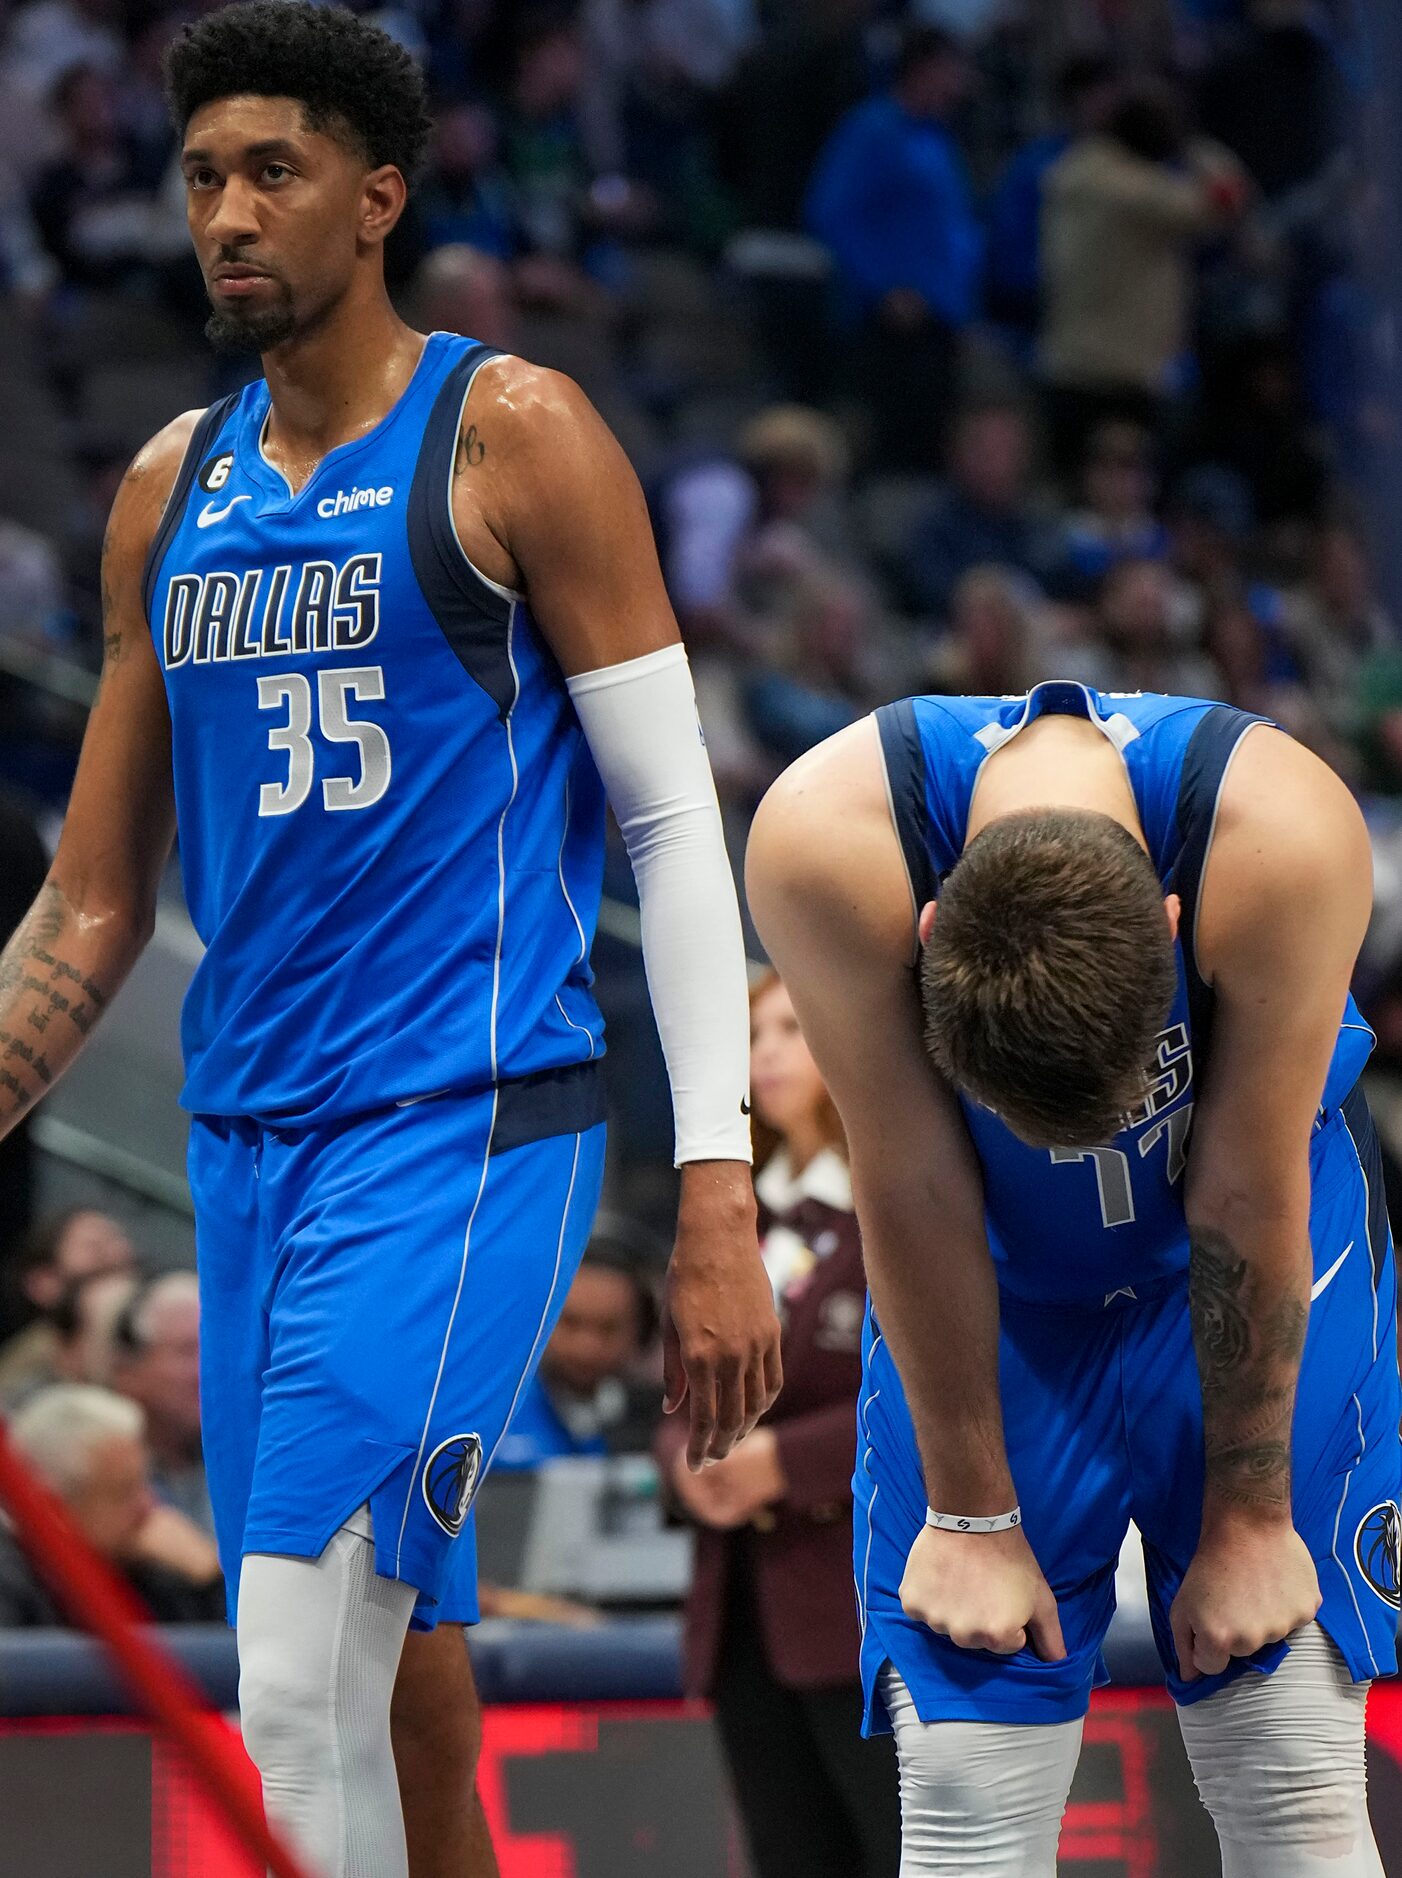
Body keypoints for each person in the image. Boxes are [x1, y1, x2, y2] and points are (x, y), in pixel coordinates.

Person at [0, 7, 781, 1877]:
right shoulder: (164, 493)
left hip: (463, 1118)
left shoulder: (512, 433)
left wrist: (718, 1184)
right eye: (200, 178)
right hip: (247, 1139)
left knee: (287, 1671)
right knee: (400, 1652)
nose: (227, 216)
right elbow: (93, 897)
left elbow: (676, 830)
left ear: (379, 197)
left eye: (272, 172)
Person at [746, 678, 1399, 1877]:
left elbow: (1245, 1198)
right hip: (991, 1285)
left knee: (1289, 1765)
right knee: (962, 1796)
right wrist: (970, 1513)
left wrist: (1250, 1516)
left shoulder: (1284, 837)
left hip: (1245, 1258)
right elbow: (914, 1186)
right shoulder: (825, 844)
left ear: (1169, 922)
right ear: (926, 931)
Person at [660, 970, 900, 1878]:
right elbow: (676, 1387)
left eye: (794, 1029)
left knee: (897, 1849)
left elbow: (937, 1388)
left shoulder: (894, 1203)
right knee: (786, 1854)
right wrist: (690, 1464)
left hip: (861, 1599)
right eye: (754, 1034)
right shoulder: (723, 1218)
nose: (767, 1053)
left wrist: (786, 1463)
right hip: (742, 1610)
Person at [0, 1383, 225, 1627]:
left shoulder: (149, 1565)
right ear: (51, 1507)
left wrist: (210, 1578)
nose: (149, 1504)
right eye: (124, 1491)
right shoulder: (10, 1582)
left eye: (146, 1482)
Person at [492, 1232, 661, 1469]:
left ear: (642, 1332)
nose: (586, 1347)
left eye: (608, 1329)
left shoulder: (661, 1429)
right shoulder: (493, 1414)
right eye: (570, 1323)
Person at [110, 1270, 212, 1535]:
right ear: (128, 1373)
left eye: (211, 1347)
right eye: (187, 1351)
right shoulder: (108, 1476)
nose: (207, 1368)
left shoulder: (253, 1447)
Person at [0, 1208, 136, 1402]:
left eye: (117, 1240)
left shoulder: (148, 1345)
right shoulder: (28, 1368)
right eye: (95, 1247)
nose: (117, 1254)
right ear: (43, 1284)